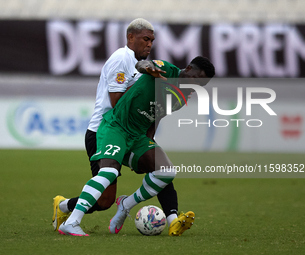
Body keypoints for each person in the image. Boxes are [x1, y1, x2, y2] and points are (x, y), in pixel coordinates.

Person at [57, 56, 215, 236]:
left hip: (138, 137)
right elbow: (142, 64)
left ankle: (125, 205)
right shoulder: (165, 69)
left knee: (166, 171)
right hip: (117, 127)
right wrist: (149, 68)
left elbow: (156, 117)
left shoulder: (180, 98)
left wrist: (146, 147)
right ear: (188, 68)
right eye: (196, 79)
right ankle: (71, 222)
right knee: (108, 174)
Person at [52, 18, 183, 236]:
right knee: (104, 201)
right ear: (130, 37)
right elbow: (117, 103)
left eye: (152, 40)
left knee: (159, 165)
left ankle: (173, 219)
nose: (149, 44)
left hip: (129, 132)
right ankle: (64, 206)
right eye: (145, 39)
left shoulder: (144, 66)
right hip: (104, 130)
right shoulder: (121, 59)